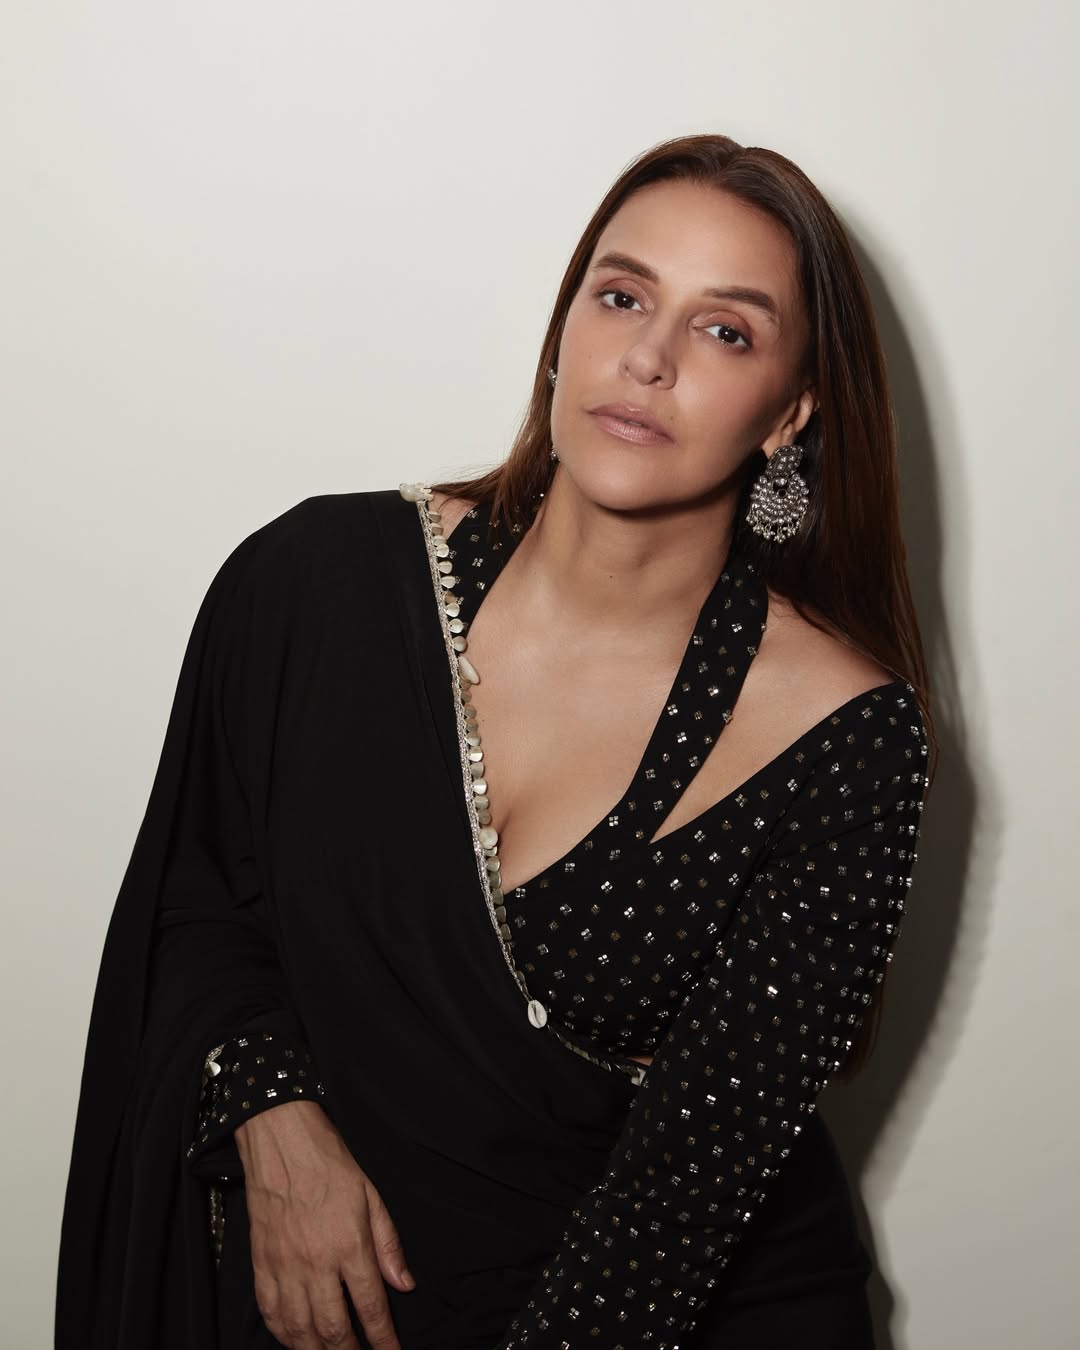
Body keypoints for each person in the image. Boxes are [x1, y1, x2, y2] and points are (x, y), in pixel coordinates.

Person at [56, 133, 936, 1350]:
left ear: (791, 413)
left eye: (725, 330)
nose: (648, 358)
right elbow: (197, 897)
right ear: (565, 326)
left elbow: (677, 1210)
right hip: (322, 1300)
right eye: (621, 297)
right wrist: (273, 1111)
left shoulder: (847, 736)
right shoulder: (315, 585)